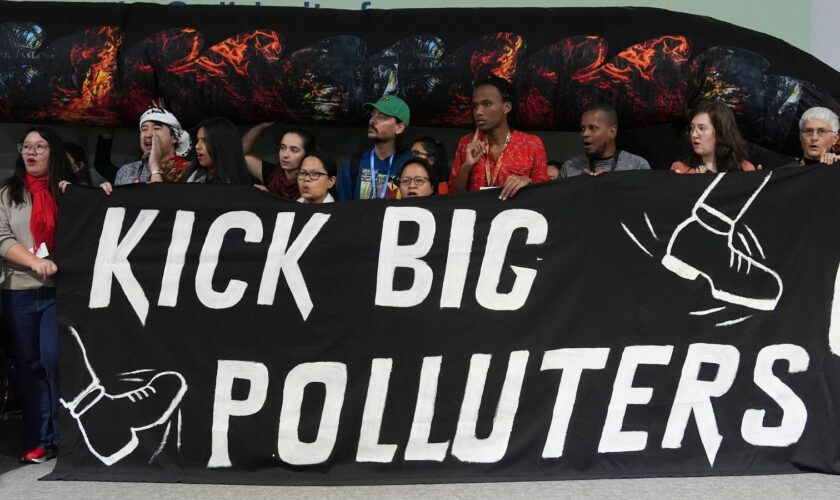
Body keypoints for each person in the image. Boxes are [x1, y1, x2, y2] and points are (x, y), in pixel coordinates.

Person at [0, 126, 72, 463]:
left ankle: (65, 438)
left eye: (39, 146)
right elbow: (2, 238)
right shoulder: (8, 193)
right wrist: (36, 262)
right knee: (29, 366)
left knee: (53, 360)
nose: (31, 152)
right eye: (26, 146)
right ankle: (41, 440)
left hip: (61, 291)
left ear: (53, 152)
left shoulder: (67, 191)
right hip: (20, 291)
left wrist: (99, 191)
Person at [449, 75, 549, 200]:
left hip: (515, 217)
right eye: (475, 106)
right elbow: (452, 198)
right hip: (478, 217)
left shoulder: (531, 144)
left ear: (506, 107)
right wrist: (467, 166)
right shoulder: (467, 143)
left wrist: (528, 182)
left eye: (487, 104)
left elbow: (545, 197)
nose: (478, 112)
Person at [337, 95, 412, 201]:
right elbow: (342, 212)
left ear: (399, 128)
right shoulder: (352, 165)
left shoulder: (412, 165)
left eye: (382, 116)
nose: (372, 120)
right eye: (372, 114)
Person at [105, 106, 192, 186]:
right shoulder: (126, 171)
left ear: (174, 137)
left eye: (157, 128)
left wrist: (154, 166)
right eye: (144, 129)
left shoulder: (188, 170)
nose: (148, 134)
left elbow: (161, 201)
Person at [560, 103, 650, 178]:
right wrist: (578, 184)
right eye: (583, 128)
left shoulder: (637, 166)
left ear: (612, 132)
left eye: (592, 128)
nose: (585, 134)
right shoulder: (569, 167)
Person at [670, 100, 756, 174]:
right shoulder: (679, 169)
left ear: (721, 132)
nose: (693, 135)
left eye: (701, 128)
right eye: (692, 128)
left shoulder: (745, 170)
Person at [242, 122, 317, 199]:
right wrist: (261, 126)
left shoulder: (315, 182)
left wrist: (270, 198)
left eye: (294, 150)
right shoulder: (272, 173)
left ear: (307, 154)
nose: (285, 155)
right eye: (282, 148)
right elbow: (242, 154)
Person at [186, 117, 254, 184]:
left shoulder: (244, 185)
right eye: (198, 140)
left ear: (222, 144)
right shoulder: (193, 177)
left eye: (205, 140)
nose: (197, 146)